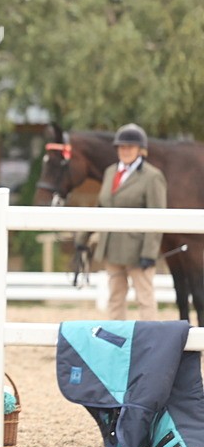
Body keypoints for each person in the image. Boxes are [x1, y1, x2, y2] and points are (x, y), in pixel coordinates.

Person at [77, 123, 167, 321]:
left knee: (144, 297)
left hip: (138, 249)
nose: (125, 151)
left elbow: (157, 216)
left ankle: (149, 340)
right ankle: (116, 340)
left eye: (130, 147)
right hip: (113, 247)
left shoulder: (152, 177)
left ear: (140, 150)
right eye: (122, 147)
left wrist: (149, 253)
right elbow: (102, 206)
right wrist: (82, 237)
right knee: (115, 297)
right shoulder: (110, 172)